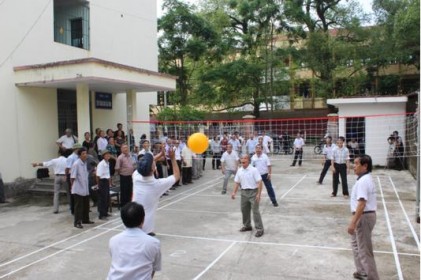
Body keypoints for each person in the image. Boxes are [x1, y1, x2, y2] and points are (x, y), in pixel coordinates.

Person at [132, 149, 180, 236]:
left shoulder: (136, 176)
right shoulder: (156, 185)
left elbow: (148, 163)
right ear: (153, 168)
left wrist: (161, 154)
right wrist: (173, 158)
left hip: (132, 224)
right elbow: (176, 176)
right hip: (145, 230)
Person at [107, 202, 161, 280]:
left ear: (123, 220)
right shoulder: (153, 243)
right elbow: (154, 268)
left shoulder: (113, 240)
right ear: (143, 219)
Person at [348, 155, 379, 280]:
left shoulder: (364, 181)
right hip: (363, 216)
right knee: (356, 245)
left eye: (356, 164)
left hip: (364, 217)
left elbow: (362, 203)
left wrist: (353, 222)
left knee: (365, 250)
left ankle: (372, 277)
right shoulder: (363, 179)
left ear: (365, 166)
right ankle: (361, 271)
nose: (353, 166)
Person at [231, 154, 264, 238]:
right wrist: (234, 192)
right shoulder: (240, 170)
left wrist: (258, 194)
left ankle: (260, 229)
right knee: (244, 210)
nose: (243, 160)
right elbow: (237, 182)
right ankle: (247, 226)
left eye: (245, 158)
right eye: (242, 158)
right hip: (244, 192)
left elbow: (259, 182)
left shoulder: (254, 170)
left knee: (255, 211)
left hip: (253, 192)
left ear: (248, 160)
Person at [70, 148, 94, 228]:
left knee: (86, 205)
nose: (85, 155)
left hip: (85, 188)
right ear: (79, 155)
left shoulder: (85, 163)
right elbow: (72, 177)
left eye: (86, 153)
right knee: (78, 207)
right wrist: (72, 187)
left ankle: (85, 219)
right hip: (78, 189)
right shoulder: (76, 164)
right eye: (83, 154)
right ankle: (77, 222)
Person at [115, 144, 136, 208]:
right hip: (124, 176)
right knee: (124, 191)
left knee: (129, 190)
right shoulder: (120, 157)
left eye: (127, 148)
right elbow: (117, 168)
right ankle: (124, 205)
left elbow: (133, 164)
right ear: (121, 149)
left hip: (130, 176)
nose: (126, 149)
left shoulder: (130, 156)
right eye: (124, 148)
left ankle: (129, 203)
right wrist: (121, 173)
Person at [66, 143, 83, 214]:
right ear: (76, 149)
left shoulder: (79, 157)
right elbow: (68, 168)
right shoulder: (71, 157)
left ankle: (80, 208)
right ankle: (73, 210)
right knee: (73, 193)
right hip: (72, 176)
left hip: (79, 176)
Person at [96, 150, 112, 220]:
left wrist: (109, 182)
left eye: (109, 154)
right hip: (102, 181)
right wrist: (98, 185)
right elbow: (98, 175)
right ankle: (101, 214)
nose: (108, 156)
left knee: (106, 198)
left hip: (106, 181)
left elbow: (107, 174)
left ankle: (105, 212)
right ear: (103, 156)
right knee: (102, 199)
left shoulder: (107, 163)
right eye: (106, 155)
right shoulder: (101, 164)